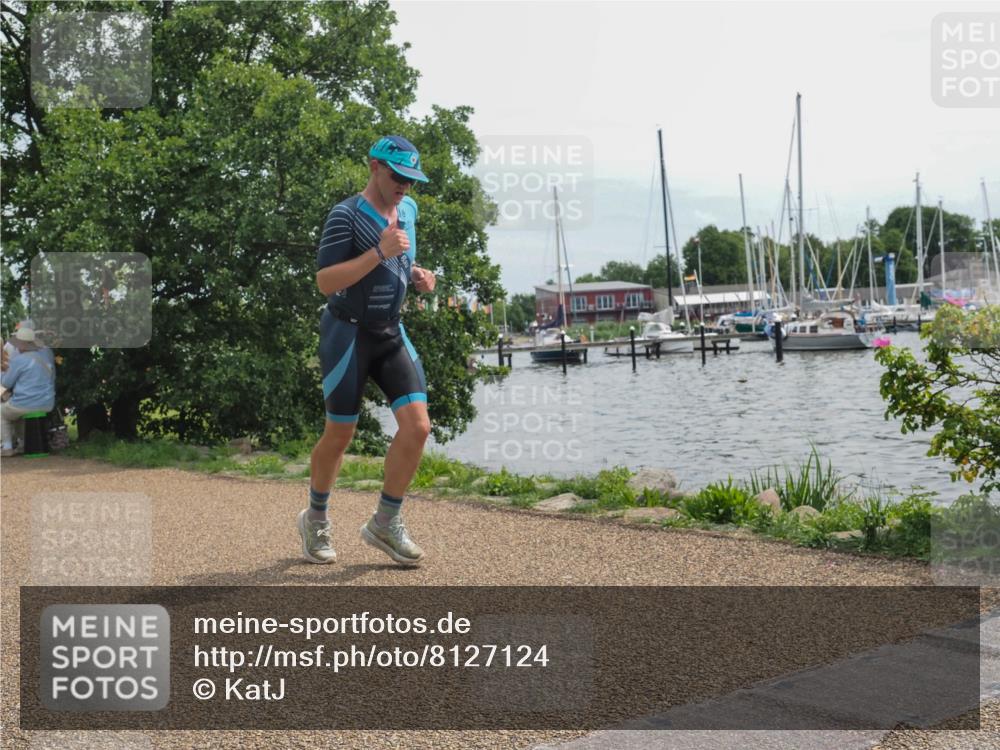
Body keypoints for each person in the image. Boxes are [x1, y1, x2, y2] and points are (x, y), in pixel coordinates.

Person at [299, 135, 436, 566]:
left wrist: (415, 273)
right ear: (375, 166)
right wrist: (379, 251)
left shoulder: (408, 210)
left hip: (390, 332)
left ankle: (384, 522)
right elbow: (325, 282)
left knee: (418, 428)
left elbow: (397, 261)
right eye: (399, 177)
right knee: (339, 434)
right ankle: (315, 518)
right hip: (347, 335)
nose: (405, 188)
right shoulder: (345, 215)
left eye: (412, 181)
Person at [1, 326, 56, 456]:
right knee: (18, 414)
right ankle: (23, 444)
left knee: (2, 412)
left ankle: (7, 447)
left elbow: (5, 383)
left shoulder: (19, 360)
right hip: (48, 402)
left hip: (26, 403)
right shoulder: (46, 354)